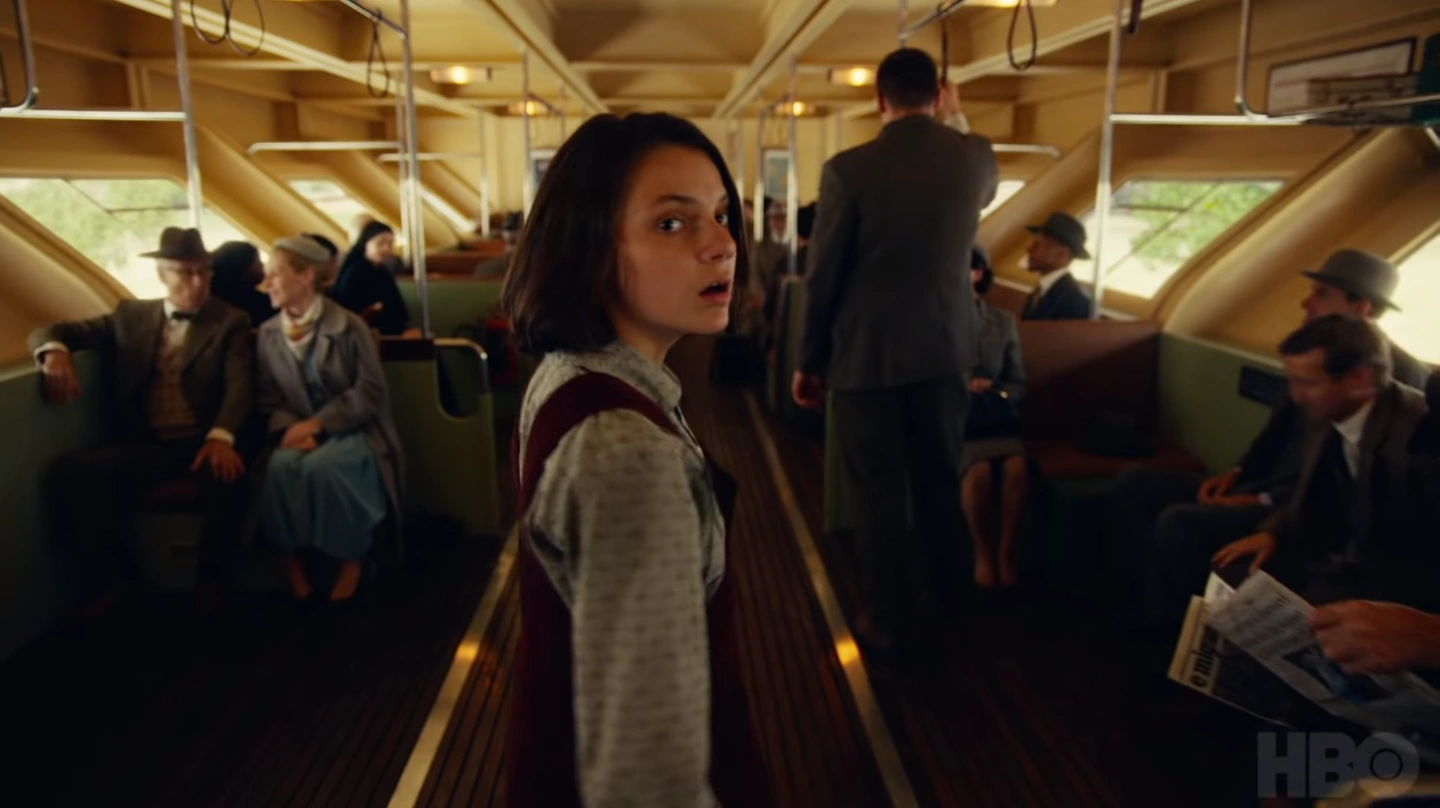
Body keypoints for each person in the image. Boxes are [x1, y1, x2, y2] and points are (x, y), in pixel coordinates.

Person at [499, 113, 771, 808]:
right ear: (589, 249)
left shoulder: (565, 375)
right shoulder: (629, 454)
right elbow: (647, 776)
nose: (723, 245)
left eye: (721, 215)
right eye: (672, 224)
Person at [794, 47, 998, 657]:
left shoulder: (848, 170)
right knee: (938, 486)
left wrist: (809, 360)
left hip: (867, 360)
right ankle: (954, 612)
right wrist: (957, 118)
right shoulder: (973, 157)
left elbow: (824, 274)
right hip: (945, 355)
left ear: (879, 98)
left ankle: (888, 618)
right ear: (938, 96)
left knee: (878, 496)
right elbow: (984, 184)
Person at [1117, 249, 1432, 631]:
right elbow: (1293, 452)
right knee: (1137, 481)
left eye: (1321, 294)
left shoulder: (1402, 414)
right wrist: (1248, 488)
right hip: (1282, 500)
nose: (1305, 302)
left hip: (1347, 541)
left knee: (1180, 525)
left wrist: (1267, 511)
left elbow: (1373, 522)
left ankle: (1172, 632)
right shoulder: (1319, 373)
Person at [29, 226, 252, 615]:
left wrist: (221, 435)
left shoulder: (230, 321)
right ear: (162, 275)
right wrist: (54, 352)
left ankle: (211, 578)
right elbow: (54, 331)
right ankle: (115, 578)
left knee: (227, 475)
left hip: (202, 439)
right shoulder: (130, 316)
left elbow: (239, 386)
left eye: (204, 272)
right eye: (186, 273)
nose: (198, 282)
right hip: (147, 444)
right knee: (71, 474)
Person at [1211, 315, 1432, 610]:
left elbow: (1414, 556)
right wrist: (1273, 533)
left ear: (1359, 379)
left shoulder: (1419, 439)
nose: (1296, 397)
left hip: (1392, 583)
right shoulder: (1331, 410)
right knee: (1231, 569)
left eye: (1306, 383)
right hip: (1330, 552)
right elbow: (1314, 491)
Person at [254, 236, 405, 603]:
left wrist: (318, 425)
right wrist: (293, 429)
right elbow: (269, 397)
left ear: (306, 276)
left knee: (325, 468)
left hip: (356, 428)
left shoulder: (349, 327)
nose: (267, 283)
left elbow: (370, 390)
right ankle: (292, 563)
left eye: (276, 274)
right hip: (297, 430)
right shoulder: (268, 335)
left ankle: (352, 559)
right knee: (280, 468)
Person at [960, 247, 1028, 589]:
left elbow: (1018, 382)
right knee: (980, 471)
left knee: (1016, 467)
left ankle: (1006, 552)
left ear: (977, 274)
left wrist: (995, 389)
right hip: (957, 419)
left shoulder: (1003, 321)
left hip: (996, 416)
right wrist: (962, 387)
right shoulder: (933, 323)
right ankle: (982, 552)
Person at [332, 220, 410, 335]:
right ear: (366, 244)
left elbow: (399, 311)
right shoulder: (355, 272)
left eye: (390, 244)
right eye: (380, 243)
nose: (386, 249)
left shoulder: (382, 272)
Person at [1019, 211, 1092, 321]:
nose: (1029, 248)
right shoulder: (1041, 291)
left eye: (1038, 243)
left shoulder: (1074, 301)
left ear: (1062, 254)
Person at [209, 240, 275, 326]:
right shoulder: (258, 304)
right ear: (243, 268)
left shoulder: (211, 302)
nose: (262, 265)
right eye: (256, 261)